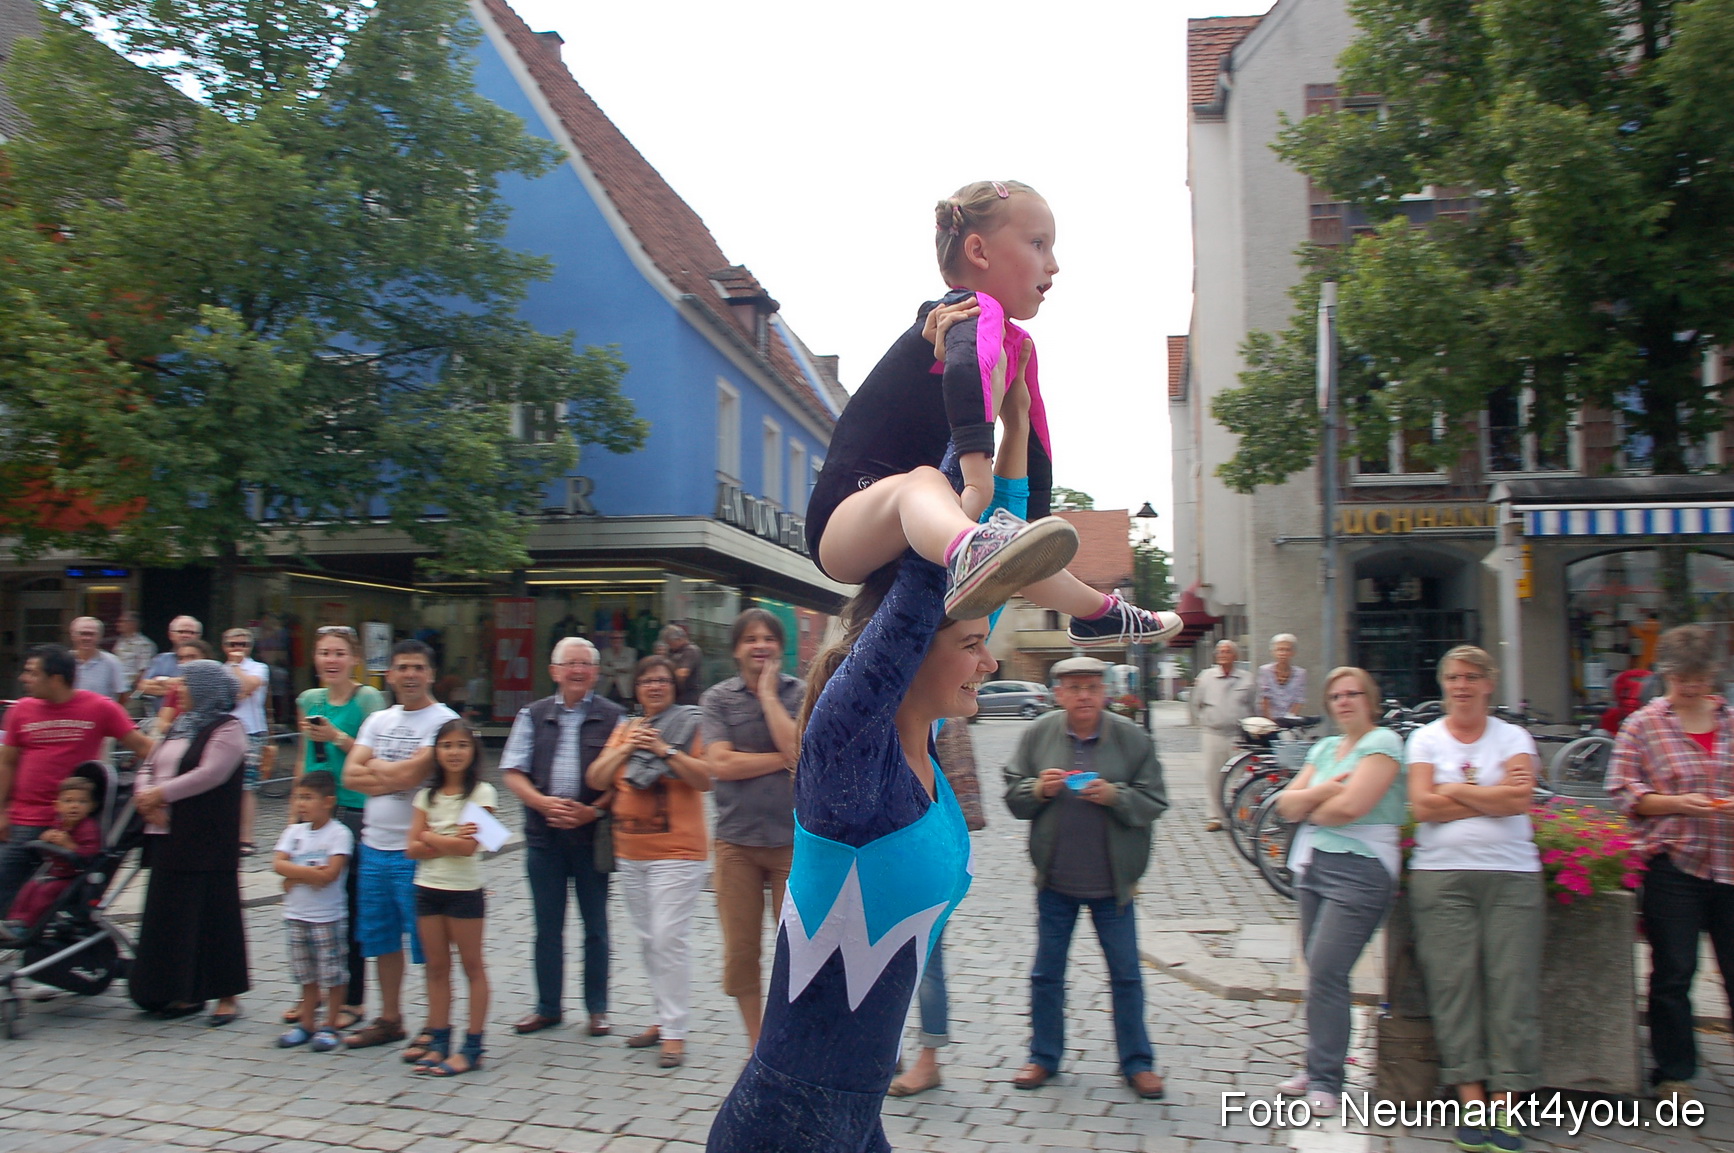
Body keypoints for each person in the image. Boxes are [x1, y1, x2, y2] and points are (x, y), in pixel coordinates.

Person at [801, 179, 1181, 649]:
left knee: (1009, 547)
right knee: (924, 483)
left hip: (925, 520)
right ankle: (971, 551)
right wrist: (978, 478)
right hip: (845, 520)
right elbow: (962, 371)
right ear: (979, 252)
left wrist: (1035, 532)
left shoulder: (1014, 343)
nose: (1054, 264)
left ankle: (1098, 613)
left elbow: (1035, 433)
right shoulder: (962, 313)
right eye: (1039, 244)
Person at [708, 552, 988, 1152]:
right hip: (784, 1130)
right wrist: (960, 464)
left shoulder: (921, 747)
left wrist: (1005, 460)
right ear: (908, 648)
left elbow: (987, 555)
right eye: (971, 645)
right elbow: (928, 570)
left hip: (856, 1124)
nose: (989, 663)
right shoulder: (852, 763)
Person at [1003, 655, 1169, 1100]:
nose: (1083, 696)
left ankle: (1138, 1063)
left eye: (1091, 687)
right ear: (1058, 694)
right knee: (1046, 974)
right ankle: (1043, 1056)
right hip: (1055, 880)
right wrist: (1040, 788)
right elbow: (1013, 793)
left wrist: (1115, 795)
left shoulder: (1133, 739)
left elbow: (1155, 800)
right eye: (1073, 688)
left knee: (1126, 975)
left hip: (1114, 884)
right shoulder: (1039, 735)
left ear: (1104, 692)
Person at [1406, 644, 1542, 1152]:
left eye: (1471, 678)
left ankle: (1507, 1105)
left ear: (1489, 683)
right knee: (1454, 985)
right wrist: (1488, 795)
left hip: (1512, 875)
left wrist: (1454, 792)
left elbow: (1520, 799)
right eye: (1453, 678)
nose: (1461, 686)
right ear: (1444, 686)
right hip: (1441, 877)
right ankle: (1470, 1101)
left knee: (1512, 985)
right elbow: (1422, 806)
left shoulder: (1514, 736)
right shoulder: (1425, 739)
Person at [1607, 624, 1734, 1104]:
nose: (1689, 687)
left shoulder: (1730, 720)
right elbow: (1624, 792)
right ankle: (1675, 1071)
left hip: (1730, 860)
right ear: (1666, 674)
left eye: (1698, 677)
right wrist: (1679, 803)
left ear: (1713, 674)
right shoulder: (1643, 724)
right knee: (1674, 970)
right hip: (1674, 863)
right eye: (1680, 677)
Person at [1270, 667, 1406, 1116]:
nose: (1345, 701)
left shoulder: (1382, 744)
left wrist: (1313, 805)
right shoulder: (1328, 748)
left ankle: (1327, 1079)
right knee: (1318, 970)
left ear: (1371, 699)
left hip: (1362, 870)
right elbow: (1286, 804)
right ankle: (1318, 1064)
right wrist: (1324, 791)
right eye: (1336, 695)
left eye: (1354, 693)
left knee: (1328, 968)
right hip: (1316, 865)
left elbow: (1354, 807)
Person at [499, 636, 626, 1038]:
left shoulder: (614, 717)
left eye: (584, 664)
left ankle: (597, 1009)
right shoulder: (532, 715)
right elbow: (513, 771)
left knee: (596, 926)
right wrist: (542, 803)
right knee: (547, 926)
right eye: (569, 664)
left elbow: (623, 778)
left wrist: (594, 809)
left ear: (596, 672)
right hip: (545, 837)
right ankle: (547, 1006)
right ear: (554, 672)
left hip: (592, 837)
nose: (577, 671)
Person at [590, 655, 711, 1068]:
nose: (654, 687)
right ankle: (663, 1018)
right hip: (630, 851)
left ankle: (675, 1033)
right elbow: (597, 778)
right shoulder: (626, 728)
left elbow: (705, 778)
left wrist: (664, 749)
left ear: (673, 686)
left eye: (661, 680)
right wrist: (627, 746)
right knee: (648, 940)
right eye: (646, 681)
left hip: (677, 853)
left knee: (666, 939)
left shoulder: (691, 724)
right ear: (636, 689)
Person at [339, 640, 459, 1052]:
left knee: (427, 943)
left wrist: (377, 768)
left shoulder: (444, 722)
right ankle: (390, 1017)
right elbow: (349, 778)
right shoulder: (378, 720)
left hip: (418, 850)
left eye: (418, 667)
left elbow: (412, 775)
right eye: (402, 667)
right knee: (381, 938)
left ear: (430, 674)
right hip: (373, 846)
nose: (410, 674)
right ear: (389, 674)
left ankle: (434, 1023)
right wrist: (392, 775)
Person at [700, 608, 802, 1047]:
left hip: (792, 843)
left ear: (780, 646)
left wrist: (767, 698)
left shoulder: (800, 693)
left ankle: (790, 1038)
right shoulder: (717, 700)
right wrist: (782, 762)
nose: (760, 645)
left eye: (768, 638)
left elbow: (799, 746)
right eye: (750, 639)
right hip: (736, 842)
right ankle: (757, 1044)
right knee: (741, 953)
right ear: (736, 649)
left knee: (796, 949)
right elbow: (720, 763)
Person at [130, 660, 250, 1024]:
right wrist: (144, 796)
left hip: (207, 838)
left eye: (185, 684)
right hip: (167, 833)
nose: (177, 690)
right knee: (171, 914)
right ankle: (177, 990)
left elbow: (210, 773)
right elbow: (148, 765)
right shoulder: (178, 726)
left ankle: (225, 994)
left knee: (215, 914)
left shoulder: (228, 729)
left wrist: (160, 795)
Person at [0, 645, 150, 913]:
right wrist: (1, 811)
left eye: (31, 673)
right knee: (5, 885)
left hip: (75, 822)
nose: (24, 678)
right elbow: (6, 763)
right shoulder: (20, 710)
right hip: (24, 818)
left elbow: (144, 748)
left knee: (60, 897)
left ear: (56, 678)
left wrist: (154, 786)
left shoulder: (100, 707)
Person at [289, 624, 385, 1031]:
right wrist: (296, 806)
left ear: (354, 659)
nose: (331, 660)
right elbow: (302, 756)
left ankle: (352, 999)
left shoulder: (368, 698)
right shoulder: (309, 699)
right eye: (325, 653)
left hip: (354, 807)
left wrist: (338, 737)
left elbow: (375, 752)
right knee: (310, 905)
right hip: (315, 810)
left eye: (339, 653)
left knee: (349, 905)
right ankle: (311, 996)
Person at [405, 719, 496, 1076]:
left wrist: (433, 838)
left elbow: (471, 847)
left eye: (461, 745)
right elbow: (410, 849)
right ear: (436, 752)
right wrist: (448, 839)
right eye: (446, 746)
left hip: (464, 892)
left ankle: (473, 1045)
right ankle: (439, 1039)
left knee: (472, 966)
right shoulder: (425, 796)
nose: (454, 752)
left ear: (472, 751)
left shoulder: (483, 793)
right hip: (428, 889)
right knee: (436, 968)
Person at [272, 769, 352, 1053]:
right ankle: (306, 1023)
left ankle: (329, 1024)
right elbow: (278, 864)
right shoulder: (293, 832)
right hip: (296, 915)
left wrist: (294, 878)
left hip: (326, 917)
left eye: (308, 798)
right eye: (298, 798)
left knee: (332, 974)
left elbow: (329, 875)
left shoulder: (339, 834)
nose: (301, 804)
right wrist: (305, 873)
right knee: (305, 974)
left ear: (328, 801)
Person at [1, 776, 102, 937]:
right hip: (57, 873)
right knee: (30, 887)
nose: (74, 806)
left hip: (74, 877)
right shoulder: (60, 823)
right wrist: (46, 838)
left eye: (82, 802)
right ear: (58, 805)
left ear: (92, 806)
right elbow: (49, 850)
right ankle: (14, 920)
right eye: (68, 801)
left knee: (45, 893)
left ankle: (28, 926)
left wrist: (70, 846)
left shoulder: (88, 828)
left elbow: (90, 854)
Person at [1191, 639, 1256, 832]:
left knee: (1242, 777)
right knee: (1214, 776)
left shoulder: (1247, 679)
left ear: (1235, 656)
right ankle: (1216, 816)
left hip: (1238, 735)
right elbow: (1197, 703)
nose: (1223, 655)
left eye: (1227, 652)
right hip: (1214, 733)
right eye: (1220, 652)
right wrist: (1204, 720)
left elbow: (1253, 705)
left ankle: (1243, 816)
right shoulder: (1206, 677)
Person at [222, 628, 272, 856]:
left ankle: (246, 837)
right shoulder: (219, 670)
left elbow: (249, 687)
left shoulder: (259, 668)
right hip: (224, 730)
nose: (237, 649)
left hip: (251, 730)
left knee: (247, 786)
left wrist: (235, 669)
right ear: (225, 647)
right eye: (233, 644)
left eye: (242, 644)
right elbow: (230, 696)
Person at [135, 615, 204, 711]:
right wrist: (178, 686)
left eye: (191, 632)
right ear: (170, 635)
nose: (186, 635)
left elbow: (195, 690)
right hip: (158, 718)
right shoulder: (160, 659)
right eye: (181, 631)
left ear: (199, 636)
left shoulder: (206, 662)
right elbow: (142, 687)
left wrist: (160, 682)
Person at [68, 616, 129, 702]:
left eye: (91, 634)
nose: (87, 638)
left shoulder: (112, 662)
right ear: (72, 635)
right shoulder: (63, 660)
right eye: (83, 633)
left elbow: (123, 694)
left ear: (100, 637)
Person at [112, 612, 158, 719]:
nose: (118, 624)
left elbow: (144, 672)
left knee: (126, 717)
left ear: (133, 624)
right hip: (116, 688)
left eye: (122, 621)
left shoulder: (144, 644)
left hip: (131, 690)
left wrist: (133, 695)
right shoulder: (121, 642)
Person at [1259, 633, 1308, 719]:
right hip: (1269, 720)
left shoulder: (1300, 673)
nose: (1283, 653)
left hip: (1290, 720)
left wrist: (1289, 719)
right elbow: (1264, 698)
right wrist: (1270, 721)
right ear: (1273, 652)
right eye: (1279, 649)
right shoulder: (1265, 671)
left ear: (1293, 653)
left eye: (1287, 650)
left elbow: (1299, 700)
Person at [663, 625, 705, 707]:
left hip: (688, 697)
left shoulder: (690, 650)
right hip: (675, 696)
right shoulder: (672, 651)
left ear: (679, 639)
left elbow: (682, 673)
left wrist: (666, 678)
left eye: (670, 643)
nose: (669, 646)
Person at [600, 631, 639, 706]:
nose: (617, 640)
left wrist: (612, 664)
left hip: (624, 688)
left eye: (620, 638)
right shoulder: (604, 652)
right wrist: (619, 669)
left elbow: (629, 666)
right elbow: (601, 668)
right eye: (614, 638)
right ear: (610, 640)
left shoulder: (631, 651)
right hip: (607, 688)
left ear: (623, 640)